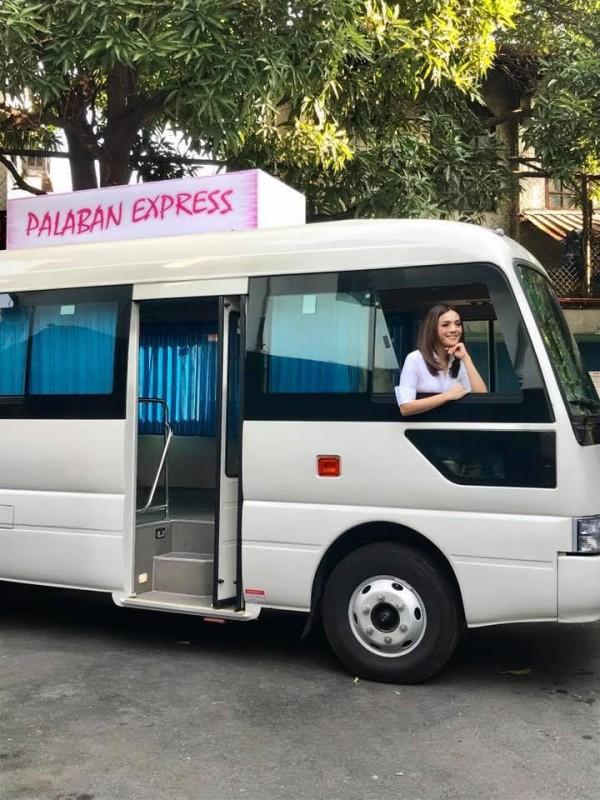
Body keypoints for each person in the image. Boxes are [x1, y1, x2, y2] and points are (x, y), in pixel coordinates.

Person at [395, 304, 487, 417]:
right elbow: (405, 408)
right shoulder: (415, 359)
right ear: (432, 329)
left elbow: (482, 397)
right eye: (445, 325)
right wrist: (447, 396)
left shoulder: (458, 360)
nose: (454, 329)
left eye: (458, 324)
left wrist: (466, 358)